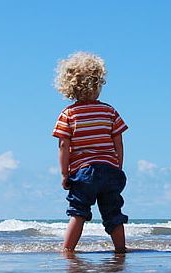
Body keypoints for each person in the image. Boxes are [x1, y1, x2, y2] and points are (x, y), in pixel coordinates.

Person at [52, 52, 129, 253]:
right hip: (110, 170)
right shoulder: (109, 111)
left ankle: (67, 250)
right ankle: (121, 250)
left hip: (83, 172)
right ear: (98, 84)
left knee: (78, 213)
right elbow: (118, 142)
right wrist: (118, 166)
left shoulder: (68, 114)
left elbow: (63, 146)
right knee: (113, 213)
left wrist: (64, 173)